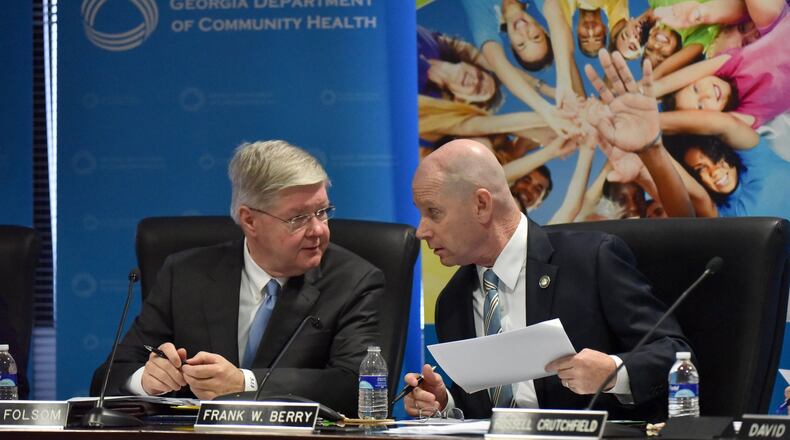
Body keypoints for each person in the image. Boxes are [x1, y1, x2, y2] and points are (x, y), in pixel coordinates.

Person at [90, 140, 384, 416]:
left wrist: (245, 383)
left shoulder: (353, 280)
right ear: (249, 220)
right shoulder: (186, 274)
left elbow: (356, 385)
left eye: (323, 212)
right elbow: (109, 376)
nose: (319, 230)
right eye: (299, 218)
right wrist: (146, 379)